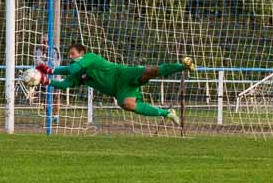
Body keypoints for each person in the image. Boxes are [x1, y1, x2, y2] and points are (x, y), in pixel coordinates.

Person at [32, 44, 196, 126]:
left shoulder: (90, 57)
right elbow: (65, 84)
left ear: (82, 53)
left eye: (73, 54)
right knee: (127, 104)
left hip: (123, 74)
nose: (71, 57)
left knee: (150, 71)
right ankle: (167, 113)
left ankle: (183, 65)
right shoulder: (78, 72)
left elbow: (71, 68)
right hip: (119, 89)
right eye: (69, 55)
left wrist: (50, 70)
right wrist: (45, 80)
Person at [33, 34, 62, 123]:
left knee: (56, 97)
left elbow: (55, 64)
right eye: (43, 42)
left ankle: (56, 116)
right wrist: (45, 64)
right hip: (42, 78)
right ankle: (48, 115)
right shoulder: (37, 50)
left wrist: (44, 64)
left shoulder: (55, 50)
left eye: (47, 42)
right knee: (43, 99)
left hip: (54, 78)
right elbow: (36, 62)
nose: (45, 44)